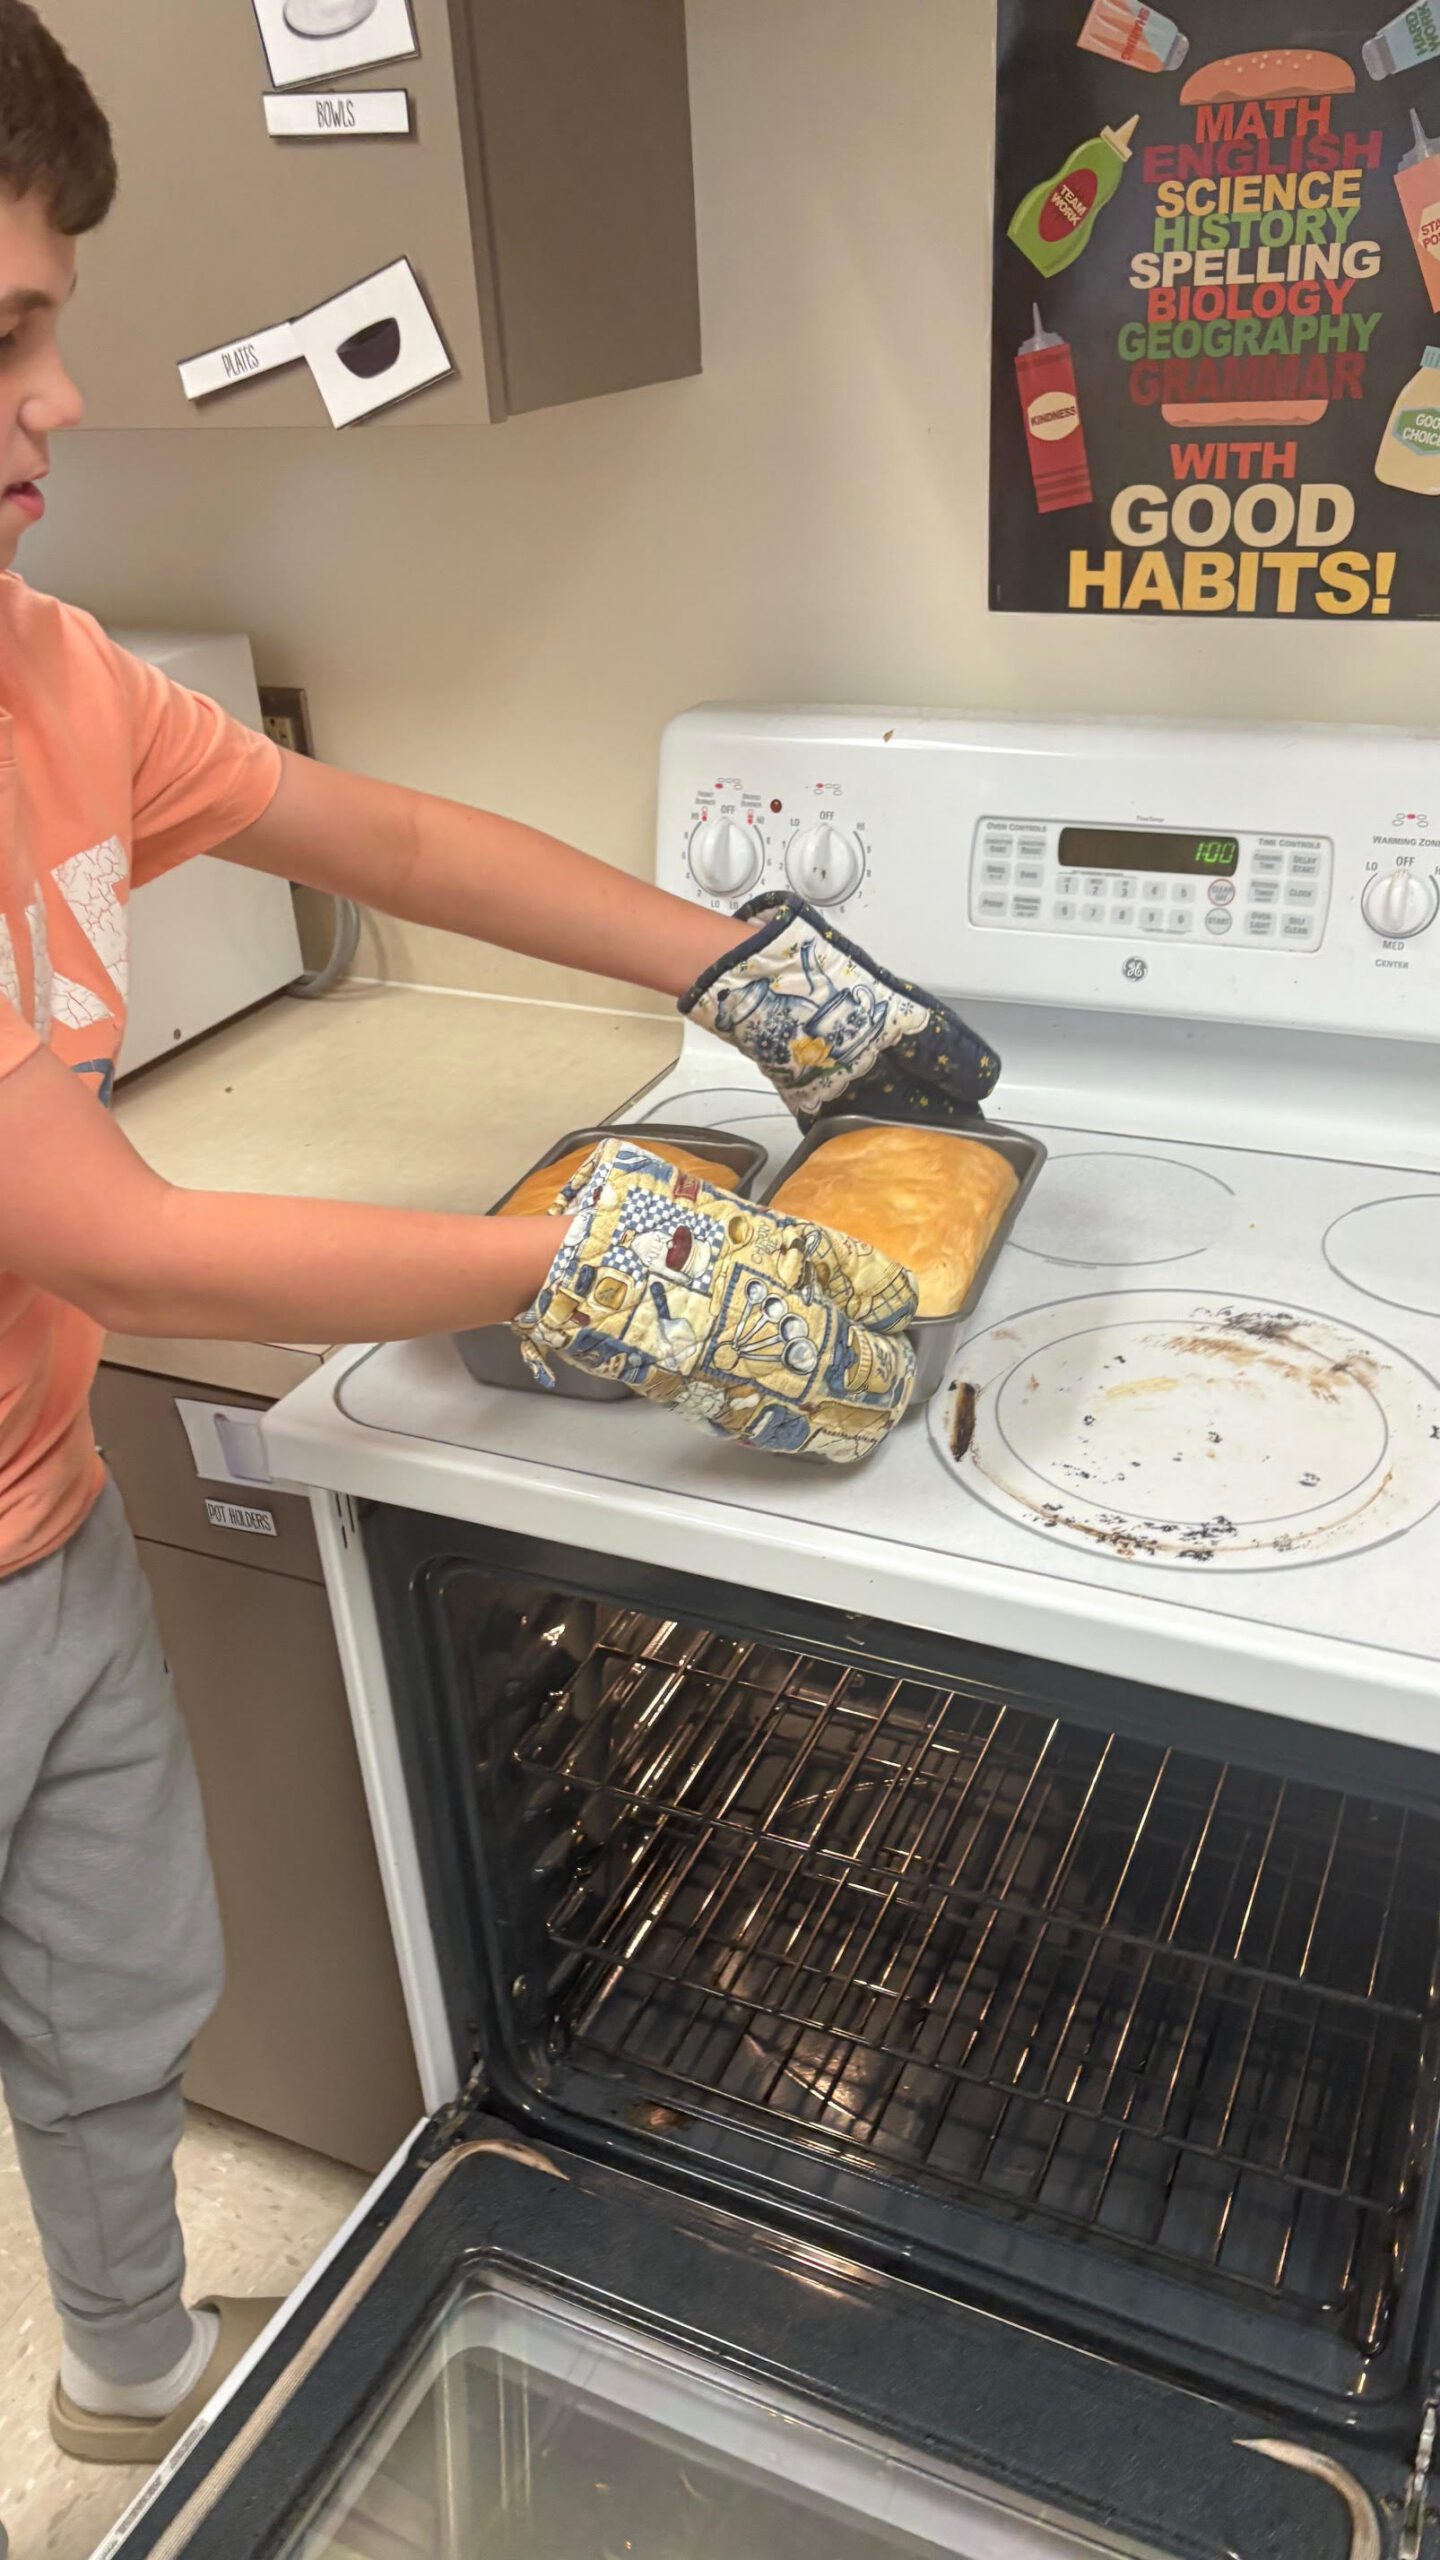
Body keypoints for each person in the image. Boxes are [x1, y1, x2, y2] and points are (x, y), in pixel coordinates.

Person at [0, 0, 999, 2495]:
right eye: (1, 337)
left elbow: (395, 844)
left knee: (120, 1972)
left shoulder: (48, 678)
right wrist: (591, 1258)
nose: (53, 407)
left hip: (38, 1507)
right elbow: (107, 1218)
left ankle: (127, 2360)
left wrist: (730, 962)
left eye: (47, 318)